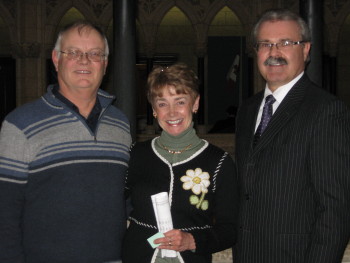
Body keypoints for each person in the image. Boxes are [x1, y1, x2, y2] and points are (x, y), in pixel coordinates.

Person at [0, 20, 131, 263]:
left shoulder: (120, 124)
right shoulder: (19, 125)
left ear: (105, 64)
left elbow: (124, 197)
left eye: (94, 54)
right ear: (56, 59)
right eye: (73, 52)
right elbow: (5, 214)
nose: (84, 60)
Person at [233, 8, 350, 263]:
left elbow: (335, 210)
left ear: (306, 50)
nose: (274, 53)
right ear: (257, 51)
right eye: (266, 44)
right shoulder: (248, 109)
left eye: (286, 43)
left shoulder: (326, 111)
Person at [122, 63, 239, 263]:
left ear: (195, 104)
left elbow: (231, 229)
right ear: (154, 110)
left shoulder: (219, 162)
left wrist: (192, 240)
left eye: (180, 101)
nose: (172, 112)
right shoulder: (136, 155)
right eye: (162, 103)